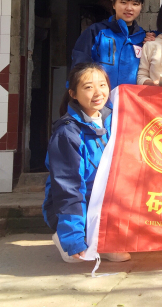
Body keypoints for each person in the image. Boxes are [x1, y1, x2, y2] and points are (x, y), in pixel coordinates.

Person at [42, 63, 130, 263]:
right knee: (76, 257)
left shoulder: (114, 121)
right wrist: (73, 238)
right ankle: (69, 236)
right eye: (89, 87)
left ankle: (105, 239)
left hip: (107, 203)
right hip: (79, 203)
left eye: (102, 85)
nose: (98, 93)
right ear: (73, 94)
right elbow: (69, 188)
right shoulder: (67, 134)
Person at [71, 0, 146, 89]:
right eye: (123, 2)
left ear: (141, 7)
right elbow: (79, 66)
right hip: (100, 97)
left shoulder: (145, 38)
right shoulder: (96, 32)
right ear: (114, 4)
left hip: (131, 97)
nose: (129, 8)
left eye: (135, 4)